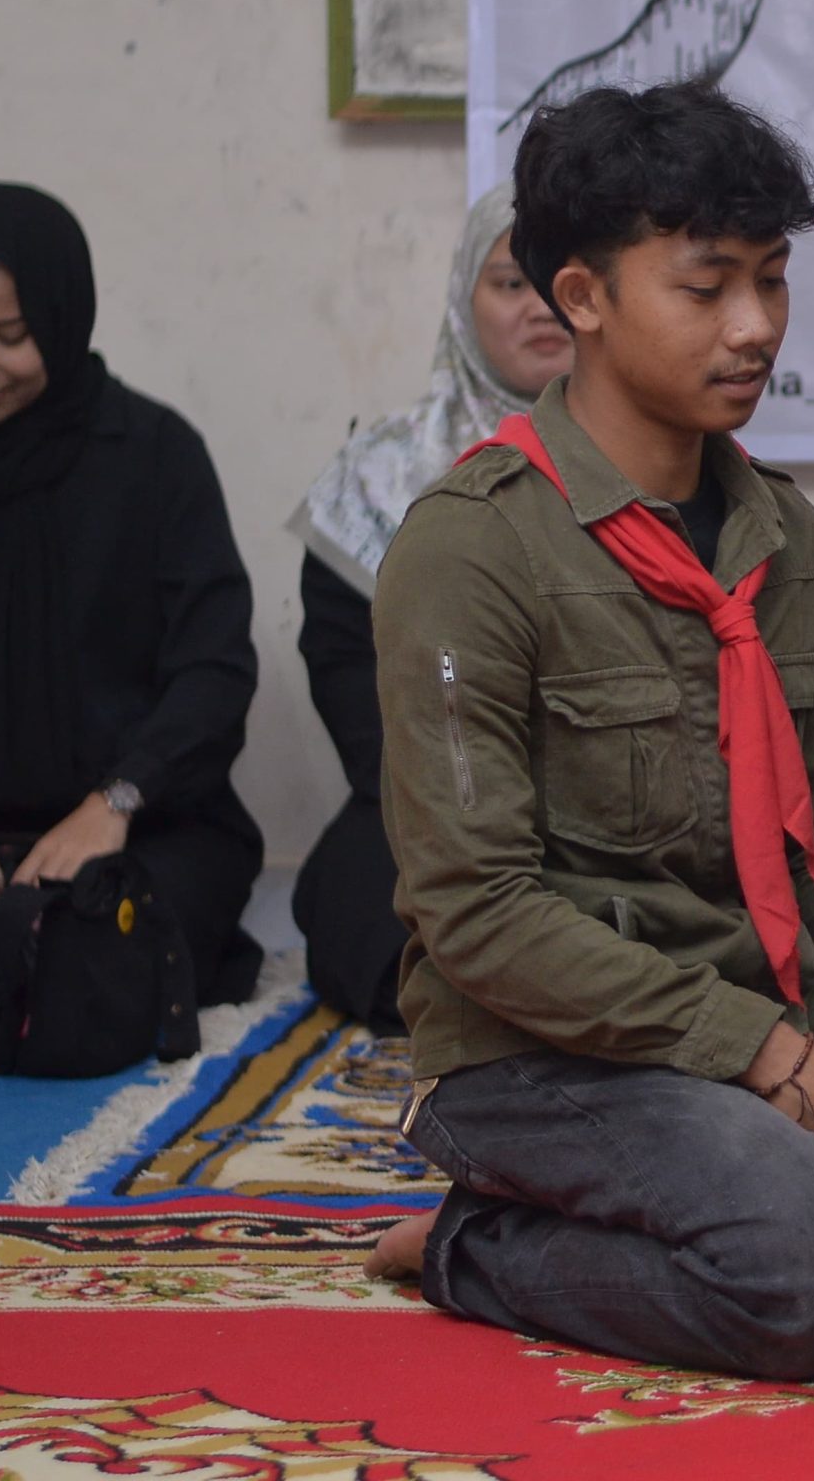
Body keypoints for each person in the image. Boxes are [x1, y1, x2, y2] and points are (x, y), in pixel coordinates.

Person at [361, 83, 814, 1381]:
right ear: (582, 297)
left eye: (773, 281)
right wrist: (780, 1063)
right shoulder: (476, 545)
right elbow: (480, 911)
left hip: (752, 1008)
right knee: (810, 1270)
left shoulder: (785, 538)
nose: (755, 328)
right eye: (707, 285)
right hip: (541, 1051)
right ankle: (476, 1245)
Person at [0, 181, 263, 1022]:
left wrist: (117, 802)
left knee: (83, 950)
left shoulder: (153, 456)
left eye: (9, 335)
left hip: (145, 825)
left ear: (62, 317)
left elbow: (214, 672)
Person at [288, 182, 573, 1032]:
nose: (539, 307)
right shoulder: (378, 475)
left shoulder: (671, 464)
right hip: (426, 789)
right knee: (356, 905)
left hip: (623, 800)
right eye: (509, 283)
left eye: (559, 279)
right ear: (464, 298)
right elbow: (344, 672)